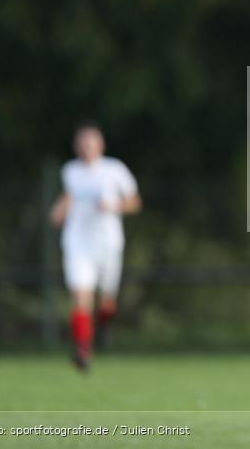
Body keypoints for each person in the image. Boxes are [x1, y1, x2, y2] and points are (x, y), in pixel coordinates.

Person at [49, 123, 141, 372]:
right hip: (78, 243)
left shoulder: (114, 169)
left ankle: (104, 326)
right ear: (76, 146)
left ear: (101, 145)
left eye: (91, 142)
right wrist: (58, 211)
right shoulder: (70, 171)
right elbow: (68, 196)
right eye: (82, 143)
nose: (86, 147)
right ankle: (82, 349)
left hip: (108, 243)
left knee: (107, 300)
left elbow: (135, 202)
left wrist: (114, 207)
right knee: (81, 296)